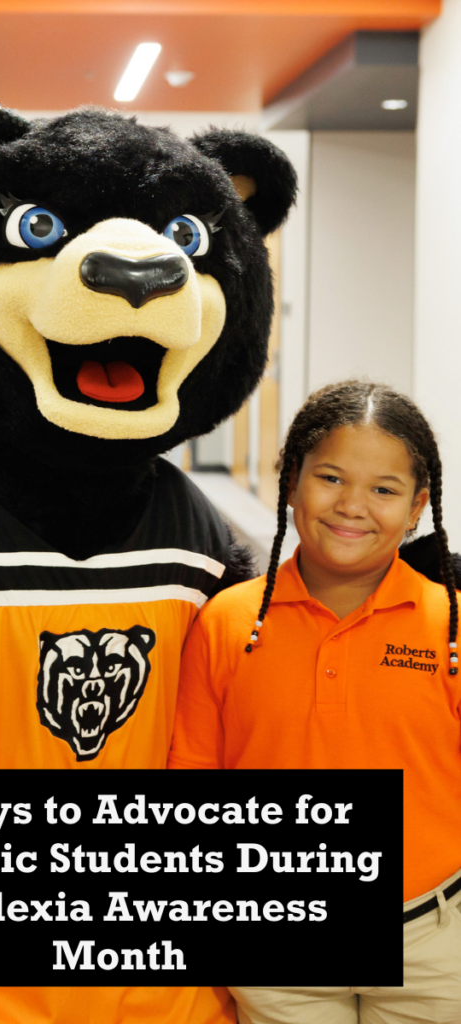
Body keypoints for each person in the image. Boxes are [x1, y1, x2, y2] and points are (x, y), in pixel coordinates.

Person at [168, 380, 461, 1024]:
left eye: (384, 490)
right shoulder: (228, 622)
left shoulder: (451, 625)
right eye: (329, 477)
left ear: (418, 508)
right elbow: (194, 778)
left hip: (433, 944)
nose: (352, 506)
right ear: (290, 480)